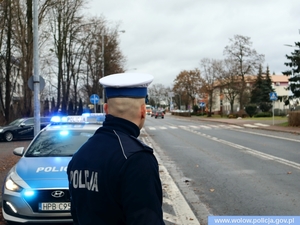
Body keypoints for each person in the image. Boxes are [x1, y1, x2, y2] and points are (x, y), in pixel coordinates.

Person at [67, 73, 165, 225]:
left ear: (106, 109)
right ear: (143, 111)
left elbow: (77, 213)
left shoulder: (80, 154)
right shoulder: (136, 158)